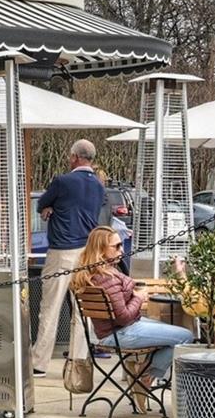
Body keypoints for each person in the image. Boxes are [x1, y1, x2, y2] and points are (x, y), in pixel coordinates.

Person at [74, 225, 192, 404]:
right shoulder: (107, 279)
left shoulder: (94, 273)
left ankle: (143, 373)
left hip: (114, 330)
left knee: (172, 336)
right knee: (185, 336)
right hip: (120, 333)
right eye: (117, 246)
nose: (122, 249)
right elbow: (124, 317)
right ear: (101, 250)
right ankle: (145, 377)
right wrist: (139, 297)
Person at [31, 139, 106, 374]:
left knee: (50, 308)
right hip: (87, 253)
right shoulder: (99, 186)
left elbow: (41, 203)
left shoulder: (63, 182)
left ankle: (39, 362)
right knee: (81, 309)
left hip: (62, 250)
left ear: (74, 157)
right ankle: (77, 361)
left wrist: (49, 208)